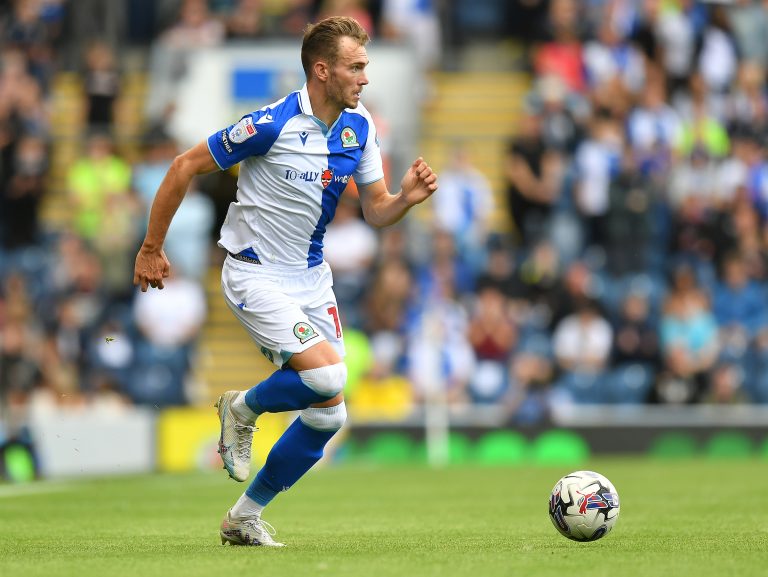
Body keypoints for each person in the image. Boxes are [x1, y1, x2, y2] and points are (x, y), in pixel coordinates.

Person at [133, 16, 438, 547]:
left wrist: (405, 199)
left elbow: (376, 210)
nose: (365, 77)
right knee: (326, 379)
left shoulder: (360, 127)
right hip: (254, 273)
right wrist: (151, 247)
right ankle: (242, 408)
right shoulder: (270, 124)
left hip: (311, 280)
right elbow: (183, 166)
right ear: (323, 70)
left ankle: (243, 517)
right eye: (356, 66)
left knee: (329, 415)